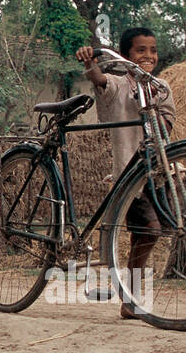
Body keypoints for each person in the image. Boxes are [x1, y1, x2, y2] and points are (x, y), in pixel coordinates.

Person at [75, 27, 176, 320]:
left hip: (155, 172)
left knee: (146, 235)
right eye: (140, 51)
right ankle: (129, 298)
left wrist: (155, 105)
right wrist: (89, 63)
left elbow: (167, 125)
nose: (148, 56)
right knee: (149, 231)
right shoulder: (121, 84)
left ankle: (129, 298)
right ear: (127, 56)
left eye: (153, 50)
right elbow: (100, 81)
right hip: (130, 173)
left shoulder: (161, 86)